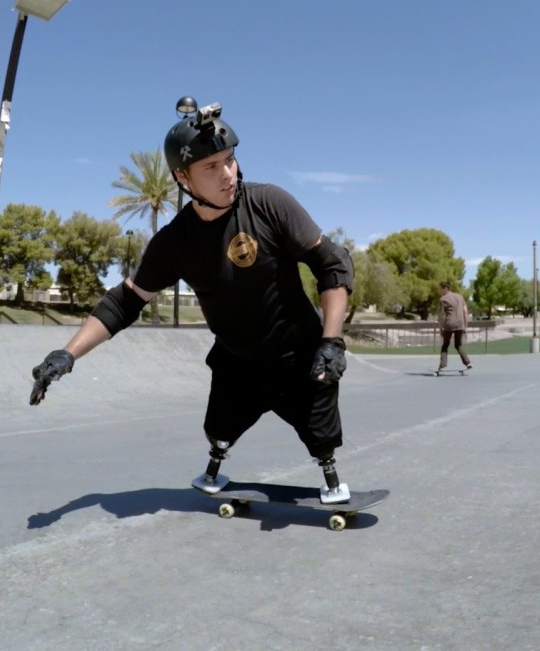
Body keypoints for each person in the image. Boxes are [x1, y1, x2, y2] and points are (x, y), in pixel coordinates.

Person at [29, 101, 356, 503]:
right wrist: (67, 354)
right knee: (219, 427)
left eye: (230, 160)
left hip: (300, 355)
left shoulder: (269, 204)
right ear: (182, 177)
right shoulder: (174, 243)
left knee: (322, 434)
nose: (227, 174)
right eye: (211, 167)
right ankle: (215, 466)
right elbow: (124, 303)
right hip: (237, 360)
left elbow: (331, 266)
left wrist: (332, 340)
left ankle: (330, 477)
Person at [437, 282, 472, 372]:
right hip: (460, 324)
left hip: (449, 324)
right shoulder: (460, 297)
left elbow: (441, 315)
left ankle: (443, 365)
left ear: (445, 288)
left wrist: (441, 328)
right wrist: (465, 326)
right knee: (458, 344)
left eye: (441, 289)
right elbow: (465, 311)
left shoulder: (443, 299)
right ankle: (467, 362)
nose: (440, 291)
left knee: (445, 345)